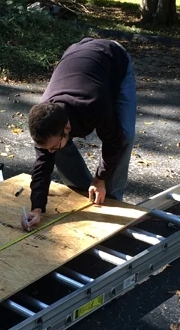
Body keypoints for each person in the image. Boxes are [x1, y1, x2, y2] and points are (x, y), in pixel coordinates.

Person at [22, 37, 137, 232]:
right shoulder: (44, 122)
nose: (49, 152)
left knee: (124, 136)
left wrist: (101, 178)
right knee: (56, 149)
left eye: (52, 146)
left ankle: (111, 199)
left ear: (67, 128)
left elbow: (113, 140)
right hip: (77, 55)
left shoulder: (95, 105)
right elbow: (42, 167)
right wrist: (37, 207)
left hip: (114, 60)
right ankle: (84, 190)